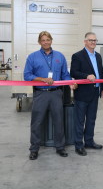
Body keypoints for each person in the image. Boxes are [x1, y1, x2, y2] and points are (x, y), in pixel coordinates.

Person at [24, 31, 76, 160]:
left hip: (56, 93)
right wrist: (42, 79)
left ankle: (60, 147)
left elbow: (65, 75)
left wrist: (71, 83)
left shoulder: (59, 56)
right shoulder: (32, 57)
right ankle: (34, 149)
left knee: (59, 121)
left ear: (51, 40)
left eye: (48, 39)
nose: (46, 42)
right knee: (36, 122)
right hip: (40, 93)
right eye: (43, 40)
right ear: (39, 42)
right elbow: (27, 76)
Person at [70, 32, 103, 156]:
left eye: (94, 40)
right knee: (80, 120)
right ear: (85, 41)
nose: (93, 42)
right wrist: (86, 76)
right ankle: (78, 145)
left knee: (91, 119)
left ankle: (89, 141)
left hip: (94, 93)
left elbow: (101, 73)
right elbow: (74, 72)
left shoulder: (98, 56)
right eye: (90, 40)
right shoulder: (77, 56)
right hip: (82, 93)